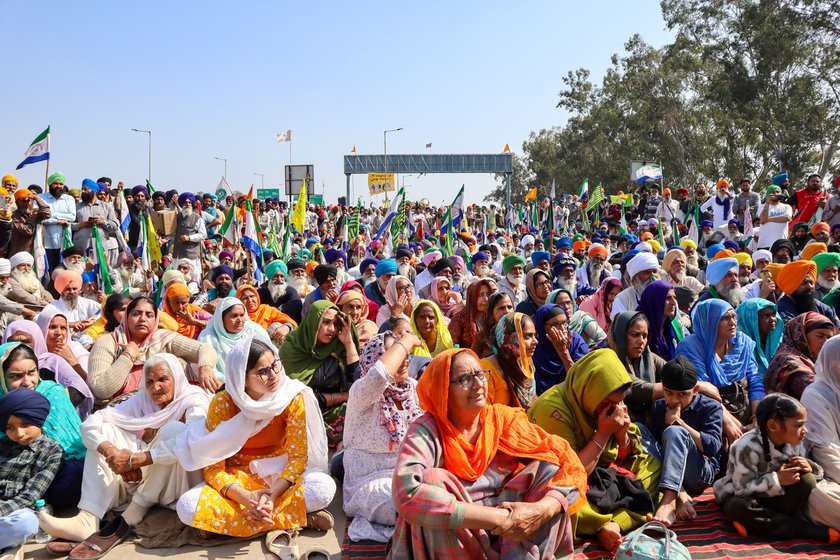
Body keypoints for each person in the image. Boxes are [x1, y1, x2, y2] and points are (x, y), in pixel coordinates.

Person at [390, 348, 587, 559]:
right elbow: (406, 491)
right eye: (464, 379)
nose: (477, 384)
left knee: (549, 467)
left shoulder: (502, 420)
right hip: (461, 534)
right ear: (443, 391)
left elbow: (567, 461)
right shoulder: (428, 430)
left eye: (480, 374)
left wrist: (540, 510)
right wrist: (499, 518)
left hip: (512, 534)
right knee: (433, 481)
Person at [39, 355, 211, 555]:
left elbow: (192, 440)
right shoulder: (143, 400)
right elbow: (90, 424)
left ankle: (134, 511)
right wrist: (112, 453)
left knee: (173, 431)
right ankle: (88, 518)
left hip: (178, 483)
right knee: (105, 432)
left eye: (163, 379)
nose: (155, 388)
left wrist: (135, 460)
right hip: (145, 475)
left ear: (177, 378)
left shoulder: (195, 399)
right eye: (150, 381)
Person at [175, 335, 336, 540]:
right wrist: (247, 498)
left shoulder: (291, 397)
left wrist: (271, 495)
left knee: (324, 487)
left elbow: (298, 458)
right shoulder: (223, 403)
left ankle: (224, 526)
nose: (273, 374)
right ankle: (296, 517)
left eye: (274, 365)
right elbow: (213, 468)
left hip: (280, 477)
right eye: (262, 371)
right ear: (242, 379)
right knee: (186, 506)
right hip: (238, 480)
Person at [529, 349, 661, 556]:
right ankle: (610, 521)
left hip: (601, 473)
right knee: (565, 510)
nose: (613, 409)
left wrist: (621, 432)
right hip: (565, 481)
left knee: (652, 467)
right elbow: (570, 478)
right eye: (606, 403)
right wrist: (602, 434)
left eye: (617, 403)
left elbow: (623, 455)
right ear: (590, 390)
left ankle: (613, 524)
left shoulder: (610, 399)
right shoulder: (553, 410)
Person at [713, 394, 839, 542]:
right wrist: (777, 479)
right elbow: (741, 489)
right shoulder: (744, 447)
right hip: (747, 497)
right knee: (737, 507)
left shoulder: (795, 440)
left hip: (775, 499)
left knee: (807, 480)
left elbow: (810, 474)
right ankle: (802, 529)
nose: (805, 430)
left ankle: (758, 524)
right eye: (798, 425)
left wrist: (809, 466)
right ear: (773, 426)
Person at [342, 332, 425, 543]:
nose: (404, 360)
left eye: (407, 355)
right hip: (370, 481)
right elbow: (379, 376)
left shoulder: (413, 389)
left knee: (438, 489)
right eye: (396, 353)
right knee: (396, 498)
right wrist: (406, 341)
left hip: (412, 472)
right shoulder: (361, 393)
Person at [0, 342, 86, 510]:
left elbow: (64, 445)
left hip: (52, 466)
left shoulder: (52, 392)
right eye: (16, 376)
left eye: (32, 372)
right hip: (8, 469)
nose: (27, 382)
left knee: (74, 475)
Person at [89, 296, 217, 401]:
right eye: (136, 314)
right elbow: (101, 390)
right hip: (120, 409)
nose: (143, 319)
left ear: (156, 320)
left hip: (163, 406)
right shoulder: (109, 342)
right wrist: (128, 355)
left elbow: (203, 349)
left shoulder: (163, 338)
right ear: (126, 318)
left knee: (179, 362)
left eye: (149, 315)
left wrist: (205, 367)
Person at [675, 299, 764, 446]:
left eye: (733, 316)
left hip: (747, 410)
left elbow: (755, 381)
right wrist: (729, 422)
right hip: (711, 413)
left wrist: (756, 419)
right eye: (725, 318)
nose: (732, 322)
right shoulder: (690, 348)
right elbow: (702, 390)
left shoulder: (742, 343)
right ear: (709, 321)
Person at [648, 357, 723, 526]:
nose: (674, 400)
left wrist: (679, 423)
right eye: (668, 392)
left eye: (682, 394)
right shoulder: (659, 406)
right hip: (670, 469)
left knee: (675, 432)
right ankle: (679, 493)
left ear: (695, 390)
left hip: (701, 472)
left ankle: (668, 501)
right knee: (639, 430)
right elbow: (655, 448)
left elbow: (711, 448)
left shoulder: (710, 407)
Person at [279, 300, 360, 447]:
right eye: (326, 322)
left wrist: (349, 344)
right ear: (313, 322)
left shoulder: (337, 346)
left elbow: (357, 384)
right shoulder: (292, 348)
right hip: (303, 412)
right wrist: (344, 396)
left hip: (337, 410)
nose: (332, 329)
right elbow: (295, 396)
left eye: (336, 324)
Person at [0, 390, 63, 558]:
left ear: (38, 419)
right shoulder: (2, 445)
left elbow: (30, 495)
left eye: (25, 424)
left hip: (17, 511)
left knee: (27, 524)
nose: (19, 434)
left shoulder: (52, 451)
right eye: (10, 427)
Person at [3, 319, 94, 419]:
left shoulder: (51, 362)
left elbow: (80, 388)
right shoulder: (2, 365)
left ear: (36, 341)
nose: (19, 346)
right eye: (13, 342)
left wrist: (49, 407)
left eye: (26, 341)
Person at [801, 335, 840, 531]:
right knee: (819, 497)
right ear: (837, 365)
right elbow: (827, 457)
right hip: (829, 475)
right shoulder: (815, 395)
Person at [608, 311, 666, 422]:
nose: (641, 341)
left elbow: (673, 372)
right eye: (635, 335)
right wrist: (689, 386)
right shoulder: (608, 359)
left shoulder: (648, 357)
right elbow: (638, 388)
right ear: (621, 335)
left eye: (645, 336)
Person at [764, 312, 835, 399]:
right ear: (802, 335)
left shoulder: (816, 359)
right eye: (820, 336)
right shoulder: (789, 362)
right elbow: (822, 393)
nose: (825, 342)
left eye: (829, 338)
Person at [198, 297, 267, 384]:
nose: (240, 320)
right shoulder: (208, 337)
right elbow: (210, 372)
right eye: (234, 316)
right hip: (224, 386)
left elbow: (270, 356)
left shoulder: (254, 330)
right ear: (221, 318)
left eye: (242, 315)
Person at [480, 312, 537, 408]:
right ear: (510, 338)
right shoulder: (487, 370)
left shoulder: (526, 364)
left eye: (534, 335)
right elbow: (484, 413)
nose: (535, 341)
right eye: (528, 336)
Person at [532, 304, 589, 395]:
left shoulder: (575, 341)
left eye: (564, 322)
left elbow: (582, 382)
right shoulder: (535, 348)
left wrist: (564, 353)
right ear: (543, 328)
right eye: (555, 325)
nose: (563, 328)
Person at [775, 259, 839, 326]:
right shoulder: (781, 309)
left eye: (811, 282)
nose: (809, 286)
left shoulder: (823, 308)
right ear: (792, 285)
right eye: (804, 283)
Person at [636, 280, 682, 361]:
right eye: (668, 298)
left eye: (674, 297)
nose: (673, 303)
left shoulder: (674, 326)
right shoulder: (638, 327)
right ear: (654, 301)